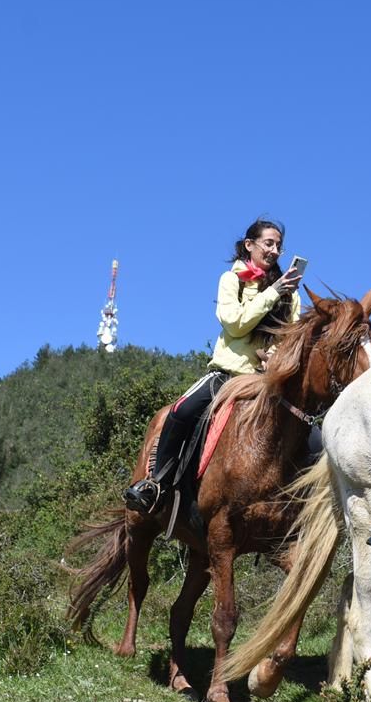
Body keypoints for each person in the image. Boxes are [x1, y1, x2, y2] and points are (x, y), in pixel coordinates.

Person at [122, 218, 303, 514]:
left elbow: (292, 335)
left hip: (266, 381)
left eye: (279, 246)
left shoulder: (291, 295)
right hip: (226, 376)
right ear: (250, 245)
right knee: (181, 413)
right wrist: (273, 292)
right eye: (269, 243)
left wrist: (276, 355)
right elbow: (235, 325)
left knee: (312, 432)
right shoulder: (232, 280)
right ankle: (155, 484)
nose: (274, 251)